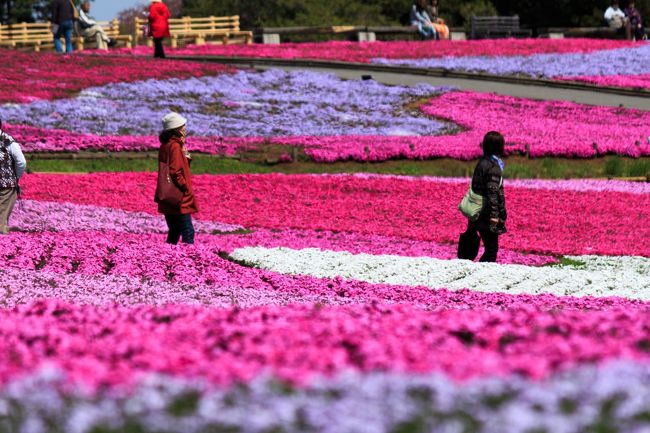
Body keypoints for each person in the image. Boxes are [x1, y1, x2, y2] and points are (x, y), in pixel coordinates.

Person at [464, 131, 507, 263]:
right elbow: (492, 192)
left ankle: (477, 273)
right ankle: (480, 275)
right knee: (491, 250)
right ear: (498, 147)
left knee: (489, 249)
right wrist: (494, 215)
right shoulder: (493, 167)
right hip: (487, 214)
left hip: (477, 211)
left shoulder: (481, 162)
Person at [156, 113, 197, 245]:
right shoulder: (174, 146)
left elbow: (179, 166)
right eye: (183, 126)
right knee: (188, 232)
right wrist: (184, 187)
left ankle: (169, 256)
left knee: (174, 230)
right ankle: (188, 260)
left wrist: (184, 152)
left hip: (167, 194)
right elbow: (175, 171)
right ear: (177, 128)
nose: (185, 128)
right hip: (178, 196)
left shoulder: (166, 144)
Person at [0, 120, 27, 234]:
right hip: (6, 183)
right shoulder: (8, 141)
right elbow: (21, 162)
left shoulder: (7, 141)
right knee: (2, 212)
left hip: (6, 183)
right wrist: (15, 176)